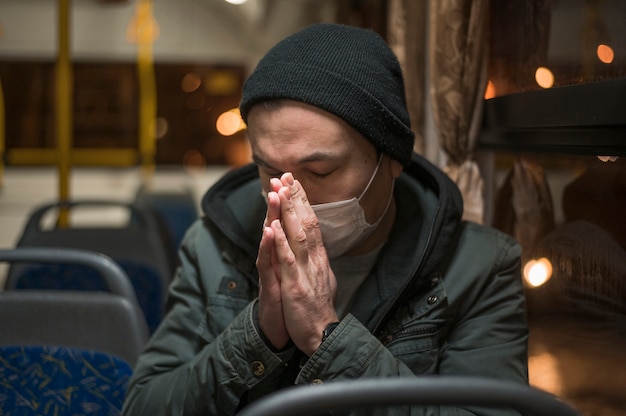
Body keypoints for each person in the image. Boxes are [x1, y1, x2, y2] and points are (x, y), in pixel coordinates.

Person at [122, 23, 528, 415]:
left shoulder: (479, 267)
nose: (290, 195)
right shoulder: (212, 246)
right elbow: (144, 405)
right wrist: (259, 337)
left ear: (391, 161)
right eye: (269, 171)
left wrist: (326, 337)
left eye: (320, 172)